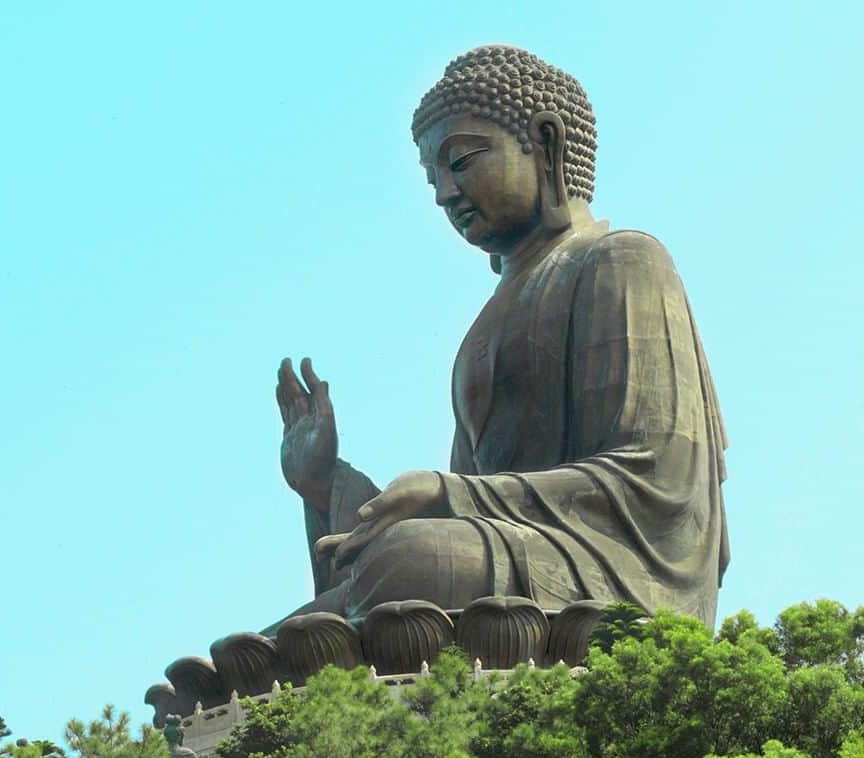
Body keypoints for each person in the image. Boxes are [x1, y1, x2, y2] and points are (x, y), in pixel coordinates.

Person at [274, 44, 728, 630]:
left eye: (460, 162)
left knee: (406, 563)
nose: (443, 192)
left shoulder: (622, 261)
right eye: (431, 176)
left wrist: (445, 495)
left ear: (545, 143)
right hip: (513, 563)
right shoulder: (486, 325)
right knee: (327, 608)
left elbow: (656, 482)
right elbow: (468, 511)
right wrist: (323, 482)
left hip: (615, 573)